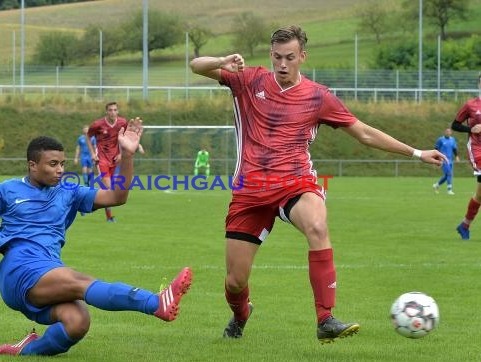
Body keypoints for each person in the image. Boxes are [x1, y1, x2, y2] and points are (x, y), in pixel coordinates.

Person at [190, 25, 446, 344]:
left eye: (290, 58)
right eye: (277, 57)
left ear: (302, 57)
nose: (283, 64)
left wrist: (417, 152)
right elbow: (195, 66)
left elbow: (363, 132)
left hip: (294, 183)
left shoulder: (318, 96)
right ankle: (241, 314)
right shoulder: (249, 79)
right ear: (271, 55)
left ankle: (325, 318)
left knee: (317, 226)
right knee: (235, 281)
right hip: (249, 191)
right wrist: (221, 61)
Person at [0, 126, 193, 356]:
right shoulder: (6, 190)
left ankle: (25, 351)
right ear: (32, 165)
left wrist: (127, 155)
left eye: (62, 163)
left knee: (77, 321)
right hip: (20, 269)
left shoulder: (69, 191)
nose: (60, 170)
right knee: (80, 281)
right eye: (53, 164)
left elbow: (117, 196)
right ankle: (155, 302)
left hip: (48, 267)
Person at [86, 102, 129, 222]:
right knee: (108, 185)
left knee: (105, 190)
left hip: (114, 159)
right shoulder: (97, 124)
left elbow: (123, 138)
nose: (113, 112)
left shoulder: (122, 123)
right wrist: (93, 154)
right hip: (101, 159)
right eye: (110, 110)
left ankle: (95, 208)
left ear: (118, 111)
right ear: (107, 111)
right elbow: (88, 137)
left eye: (115, 110)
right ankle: (96, 205)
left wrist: (121, 153)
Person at [452, 74, 481, 240]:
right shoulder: (471, 105)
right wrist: (471, 130)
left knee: (479, 195)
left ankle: (464, 225)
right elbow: (454, 125)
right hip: (477, 149)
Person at [433, 127, 459, 195]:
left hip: (450, 160)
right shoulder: (440, 139)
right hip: (443, 160)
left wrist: (456, 156)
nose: (448, 132)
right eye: (447, 131)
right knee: (449, 174)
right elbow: (436, 149)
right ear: (445, 132)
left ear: (451, 132)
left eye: (449, 131)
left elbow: (454, 149)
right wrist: (437, 158)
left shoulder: (452, 139)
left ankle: (437, 185)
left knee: (447, 175)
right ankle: (449, 190)